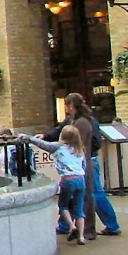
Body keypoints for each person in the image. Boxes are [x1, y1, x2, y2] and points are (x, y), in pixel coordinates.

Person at [38, 94, 97, 239]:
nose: (65, 108)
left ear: (71, 106)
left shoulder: (81, 123)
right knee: (76, 199)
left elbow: (75, 144)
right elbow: (59, 130)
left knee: (85, 198)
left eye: (66, 104)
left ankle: (87, 230)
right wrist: (45, 136)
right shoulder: (72, 120)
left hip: (81, 167)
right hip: (80, 166)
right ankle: (72, 228)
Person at [20, 125, 88, 245]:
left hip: (67, 179)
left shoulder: (58, 147)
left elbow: (42, 144)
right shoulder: (79, 149)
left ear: (62, 135)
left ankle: (72, 227)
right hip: (81, 179)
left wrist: (28, 138)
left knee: (63, 206)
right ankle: (82, 237)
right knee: (79, 208)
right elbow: (84, 166)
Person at [87, 112, 122, 236]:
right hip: (87, 159)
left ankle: (112, 225)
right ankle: (65, 225)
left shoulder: (87, 121)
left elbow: (96, 142)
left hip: (87, 160)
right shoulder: (86, 120)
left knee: (95, 193)